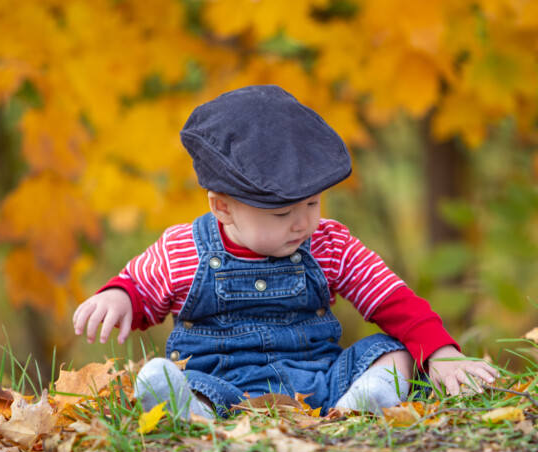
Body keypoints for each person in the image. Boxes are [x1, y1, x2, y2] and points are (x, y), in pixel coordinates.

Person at [73, 85, 498, 419]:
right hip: (222, 386)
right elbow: (139, 288)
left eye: (312, 204)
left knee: (395, 350)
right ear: (222, 207)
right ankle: (188, 411)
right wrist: (118, 296)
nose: (303, 223)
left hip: (321, 383)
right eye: (281, 213)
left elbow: (390, 297)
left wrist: (441, 355)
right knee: (171, 377)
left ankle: (368, 400)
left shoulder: (328, 243)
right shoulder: (184, 250)